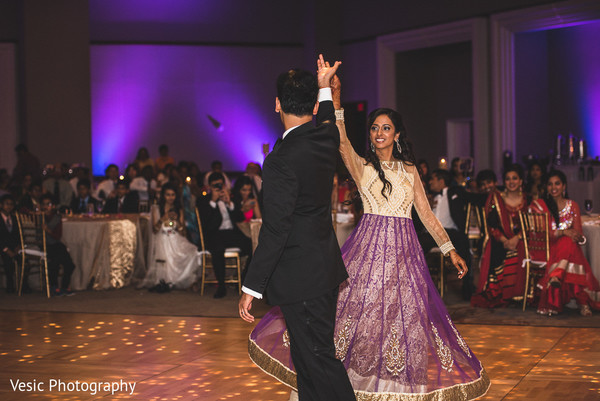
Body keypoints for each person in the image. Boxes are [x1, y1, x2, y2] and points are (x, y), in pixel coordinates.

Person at [243, 56, 490, 400]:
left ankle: (392, 391)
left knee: (403, 329)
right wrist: (335, 98)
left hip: (405, 258)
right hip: (369, 254)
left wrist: (449, 250)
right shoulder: (363, 168)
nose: (378, 133)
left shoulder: (409, 171)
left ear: (398, 134)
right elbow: (337, 137)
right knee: (360, 329)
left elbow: (426, 214)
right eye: (374, 128)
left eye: (386, 128)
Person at [239, 59, 356, 401]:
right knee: (309, 362)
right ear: (311, 104)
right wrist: (324, 88)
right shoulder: (324, 138)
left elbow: (276, 229)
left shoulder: (280, 159)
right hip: (324, 268)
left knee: (317, 360)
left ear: (277, 104)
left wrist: (251, 286)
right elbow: (329, 122)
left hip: (302, 276)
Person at [529, 170, 600, 316]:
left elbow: (578, 232)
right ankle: (583, 303)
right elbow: (540, 232)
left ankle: (556, 275)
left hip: (566, 250)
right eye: (550, 184)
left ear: (564, 186)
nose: (553, 187)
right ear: (546, 187)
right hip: (546, 247)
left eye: (557, 183)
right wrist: (563, 232)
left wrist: (577, 237)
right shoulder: (540, 205)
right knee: (569, 243)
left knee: (570, 243)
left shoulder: (572, 205)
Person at [471, 164, 528, 308]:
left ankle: (520, 292)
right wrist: (505, 240)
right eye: (508, 179)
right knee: (496, 248)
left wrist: (517, 238)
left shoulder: (528, 200)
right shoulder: (496, 198)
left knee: (523, 248)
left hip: (522, 238)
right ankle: (503, 292)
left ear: (521, 181)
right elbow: (492, 225)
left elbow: (530, 225)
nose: (511, 182)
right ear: (504, 182)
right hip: (500, 240)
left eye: (515, 178)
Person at [418, 169, 474, 300]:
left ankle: (467, 288)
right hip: (431, 234)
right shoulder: (427, 196)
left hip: (450, 233)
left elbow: (473, 198)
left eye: (433, 179)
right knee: (414, 242)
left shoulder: (455, 192)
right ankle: (419, 288)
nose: (430, 182)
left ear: (441, 181)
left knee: (464, 243)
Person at [198, 173, 251, 298]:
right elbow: (206, 224)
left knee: (252, 245)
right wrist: (213, 201)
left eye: (220, 185)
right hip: (215, 234)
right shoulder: (204, 200)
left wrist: (230, 203)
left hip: (232, 233)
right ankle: (221, 286)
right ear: (209, 186)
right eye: (215, 185)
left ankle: (244, 279)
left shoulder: (229, 198)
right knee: (218, 249)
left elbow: (240, 217)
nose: (218, 188)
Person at [140, 184, 199, 290]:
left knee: (192, 251)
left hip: (175, 238)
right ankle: (168, 281)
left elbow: (183, 232)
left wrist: (177, 221)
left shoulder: (179, 209)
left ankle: (183, 279)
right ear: (163, 195)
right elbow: (154, 230)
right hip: (162, 239)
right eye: (168, 195)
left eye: (173, 195)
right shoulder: (156, 208)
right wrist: (164, 218)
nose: (170, 197)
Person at [40, 194, 76, 296]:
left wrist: (48, 230)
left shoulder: (56, 218)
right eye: (44, 204)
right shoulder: (38, 217)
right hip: (45, 245)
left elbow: (57, 236)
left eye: (49, 204)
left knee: (69, 264)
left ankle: (64, 286)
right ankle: (54, 286)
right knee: (55, 262)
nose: (46, 207)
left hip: (55, 244)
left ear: (54, 206)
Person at [0, 194, 22, 293]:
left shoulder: (15, 218)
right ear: (1, 205)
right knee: (7, 259)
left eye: (11, 204)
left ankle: (23, 284)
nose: (9, 206)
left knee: (23, 259)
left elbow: (19, 235)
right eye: (6, 204)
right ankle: (10, 284)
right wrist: (6, 249)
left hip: (14, 246)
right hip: (2, 247)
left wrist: (18, 246)